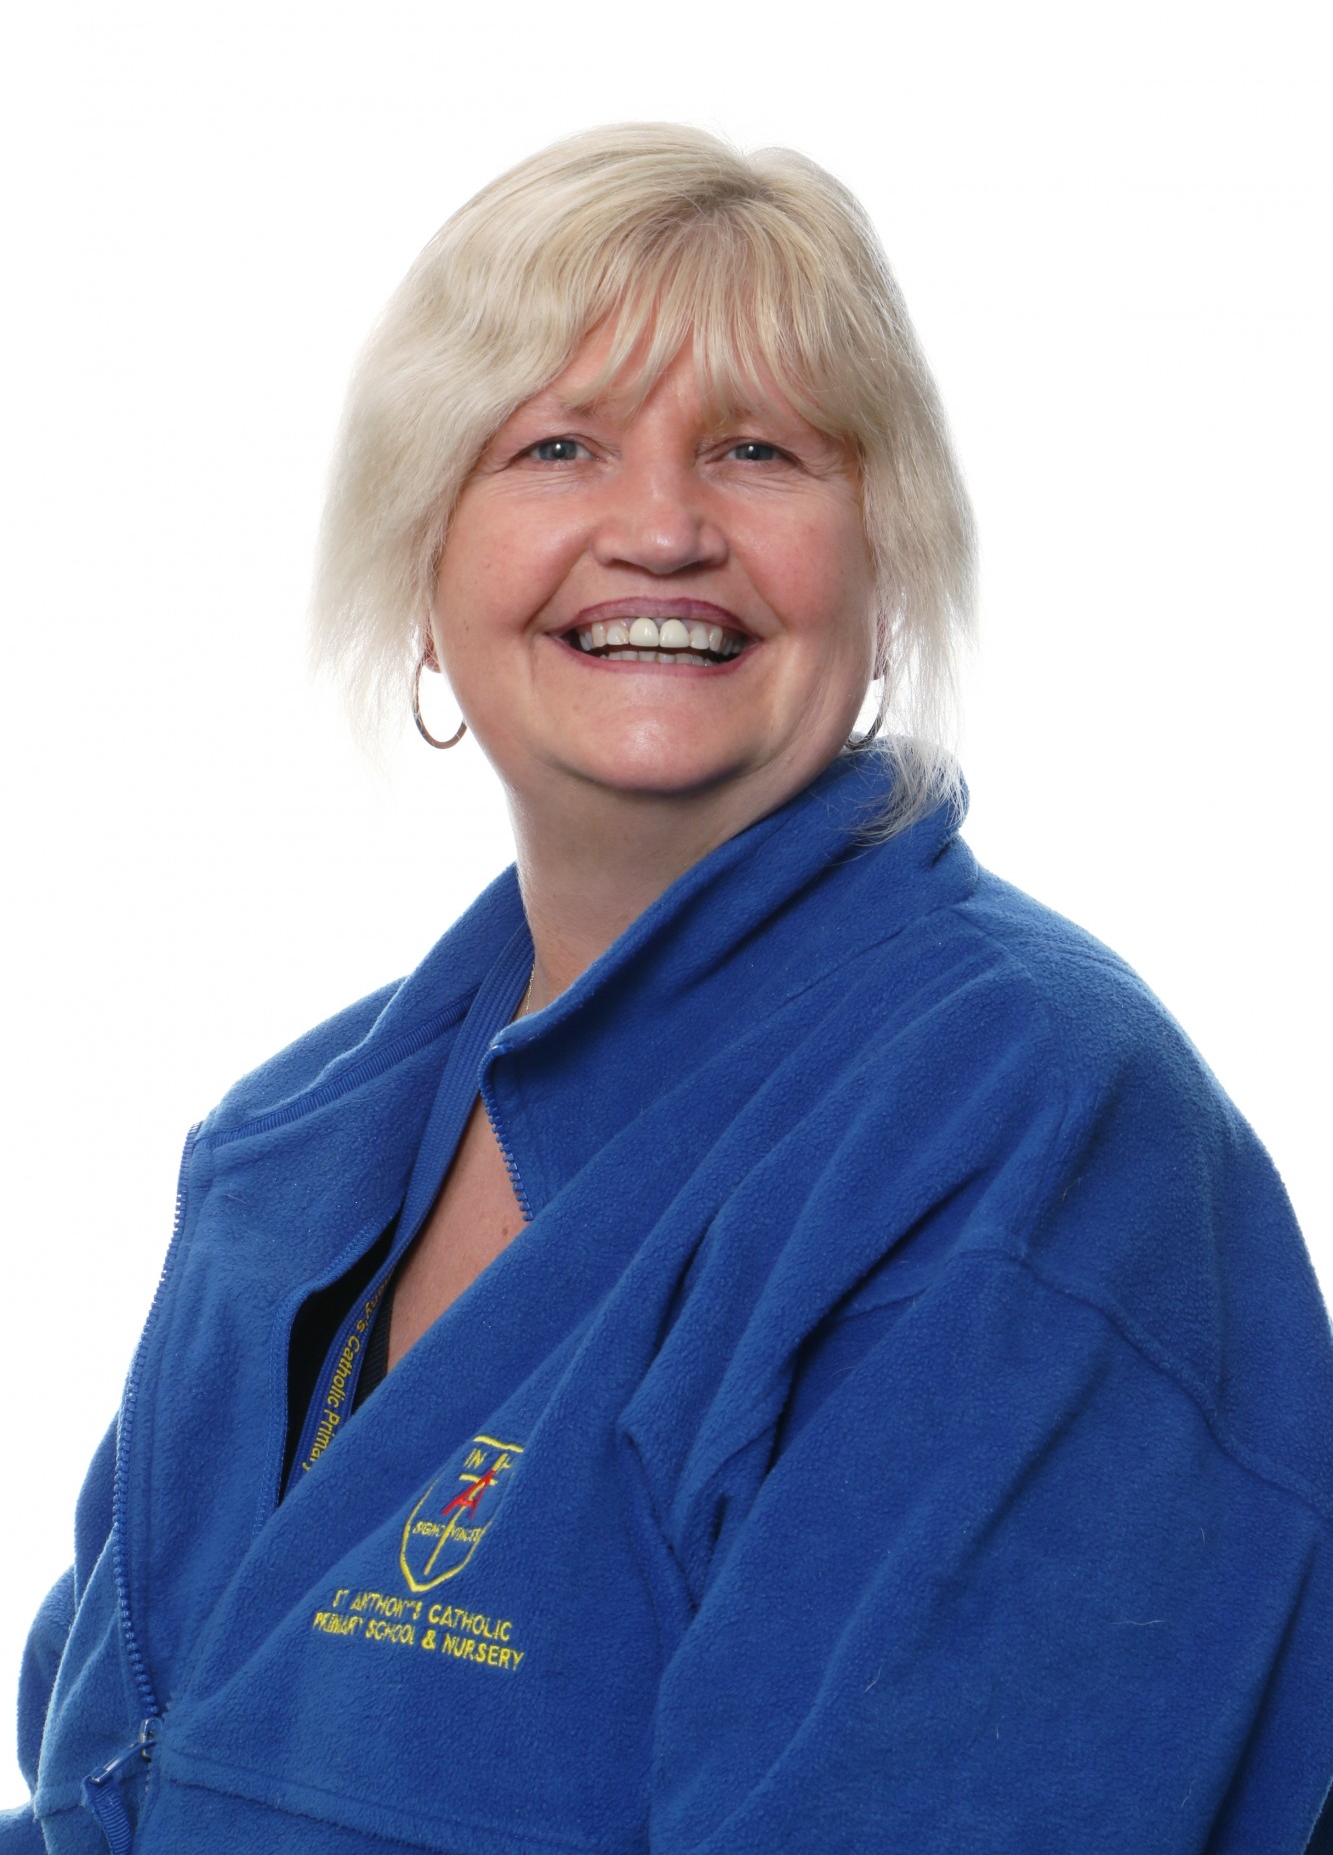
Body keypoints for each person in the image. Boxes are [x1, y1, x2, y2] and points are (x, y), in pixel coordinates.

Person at [6, 124, 1333, 1855]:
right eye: (555, 445)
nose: (659, 529)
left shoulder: (1029, 1136)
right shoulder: (292, 1151)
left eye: (758, 450)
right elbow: (119, 1796)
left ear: (883, 568)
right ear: (423, 570)